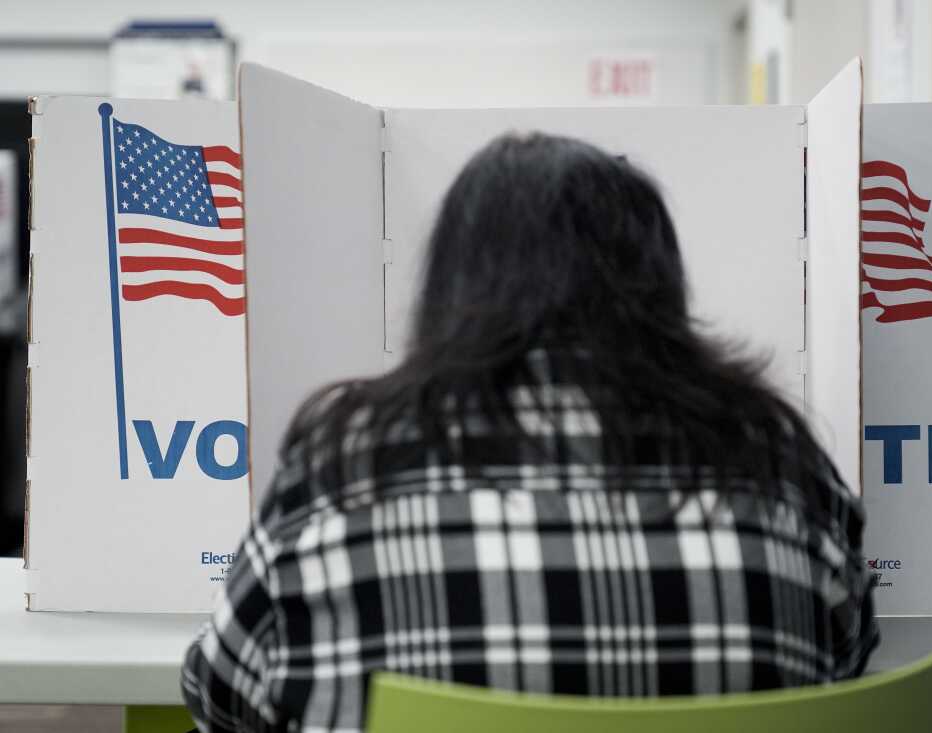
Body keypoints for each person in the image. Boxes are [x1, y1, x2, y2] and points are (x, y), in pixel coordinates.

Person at [181, 133, 878, 732]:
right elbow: (845, 668)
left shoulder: (342, 468)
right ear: (661, 284)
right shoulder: (779, 463)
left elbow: (222, 696)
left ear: (451, 288)